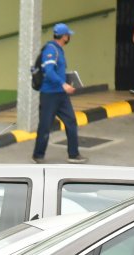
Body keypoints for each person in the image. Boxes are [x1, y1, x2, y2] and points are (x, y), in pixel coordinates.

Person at [31, 23, 87, 164]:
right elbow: (49, 71)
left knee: (71, 122)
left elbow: (57, 71)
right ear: (64, 37)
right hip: (49, 95)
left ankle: (73, 154)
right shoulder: (51, 50)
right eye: (68, 35)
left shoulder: (59, 50)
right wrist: (63, 84)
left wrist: (67, 81)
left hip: (61, 95)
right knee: (45, 125)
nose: (69, 37)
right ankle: (38, 155)